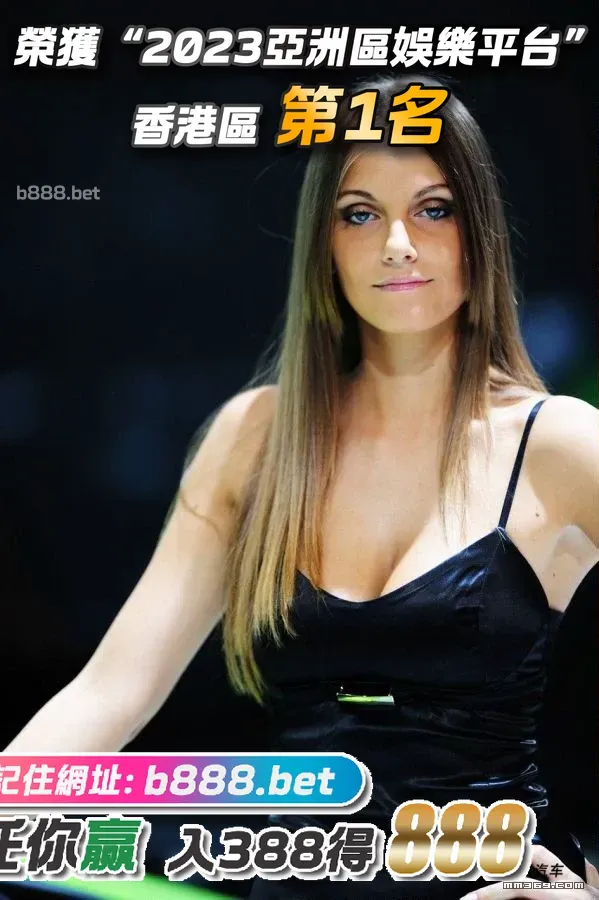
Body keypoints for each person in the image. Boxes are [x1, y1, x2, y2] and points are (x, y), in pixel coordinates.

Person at [3, 73, 598, 899]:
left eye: (433, 209)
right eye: (359, 213)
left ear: (479, 228)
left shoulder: (558, 442)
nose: (397, 243)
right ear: (323, 241)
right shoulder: (254, 441)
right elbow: (109, 693)